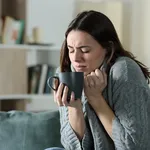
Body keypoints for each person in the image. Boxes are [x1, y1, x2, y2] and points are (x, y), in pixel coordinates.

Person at [48, 10, 150, 150]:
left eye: (84, 50)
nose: (76, 59)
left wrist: (96, 99)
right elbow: (71, 147)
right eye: (71, 50)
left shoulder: (124, 71)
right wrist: (74, 107)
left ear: (107, 48)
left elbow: (134, 146)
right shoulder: (66, 72)